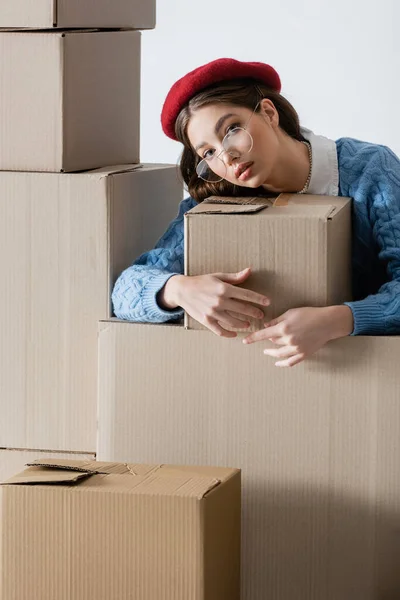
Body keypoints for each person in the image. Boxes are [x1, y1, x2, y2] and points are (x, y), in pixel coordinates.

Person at [112, 58, 400, 367]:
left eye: (231, 130)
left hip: (367, 372)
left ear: (268, 112)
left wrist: (338, 320)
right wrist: (178, 290)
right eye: (208, 152)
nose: (227, 156)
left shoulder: (369, 170)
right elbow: (125, 292)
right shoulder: (217, 199)